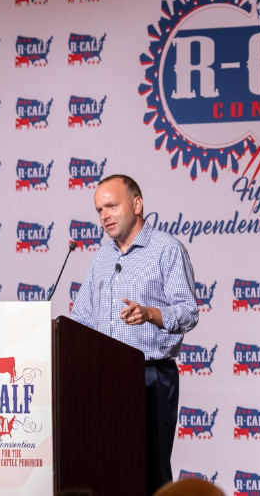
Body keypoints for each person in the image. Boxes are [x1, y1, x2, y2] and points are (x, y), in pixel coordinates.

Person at [70, 174, 199, 496]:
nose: (105, 216)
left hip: (150, 377)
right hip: (102, 380)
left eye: (112, 206)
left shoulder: (166, 249)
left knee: (150, 472)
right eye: (99, 210)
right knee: (106, 470)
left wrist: (151, 314)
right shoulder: (102, 257)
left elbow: (188, 312)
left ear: (137, 204)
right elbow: (81, 317)